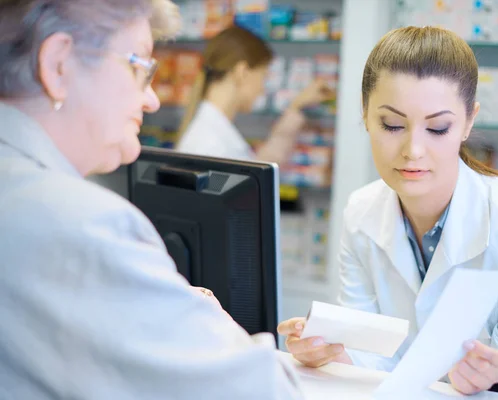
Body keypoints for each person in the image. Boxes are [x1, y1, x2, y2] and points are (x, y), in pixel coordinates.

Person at [0, 1, 302, 399]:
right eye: (138, 66)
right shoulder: (86, 225)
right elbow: (261, 391)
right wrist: (206, 321)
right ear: (59, 65)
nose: (152, 100)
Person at [278, 26, 498, 395]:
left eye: (437, 128)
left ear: (469, 121)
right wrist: (328, 352)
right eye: (392, 125)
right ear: (365, 116)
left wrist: (491, 373)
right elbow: (373, 354)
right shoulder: (361, 212)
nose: (413, 150)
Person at [175, 25, 335, 164]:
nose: (262, 89)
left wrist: (296, 106)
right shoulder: (209, 143)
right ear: (242, 72)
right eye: (263, 76)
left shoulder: (214, 131)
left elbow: (258, 168)